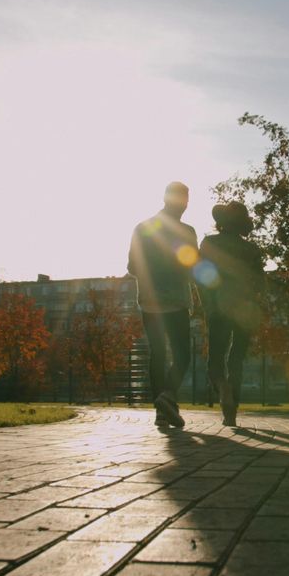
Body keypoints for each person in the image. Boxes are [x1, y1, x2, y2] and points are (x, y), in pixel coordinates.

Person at [128, 181, 197, 428]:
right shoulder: (187, 231)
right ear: (184, 202)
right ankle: (167, 397)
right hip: (176, 301)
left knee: (158, 355)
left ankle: (162, 410)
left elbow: (132, 266)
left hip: (149, 301)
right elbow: (191, 267)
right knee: (183, 355)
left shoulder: (143, 227)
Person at [198, 202, 264, 427]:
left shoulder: (210, 243)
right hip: (245, 309)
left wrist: (206, 304)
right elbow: (259, 283)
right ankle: (232, 410)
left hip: (219, 306)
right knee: (236, 358)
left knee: (215, 360)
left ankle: (223, 390)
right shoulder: (252, 250)